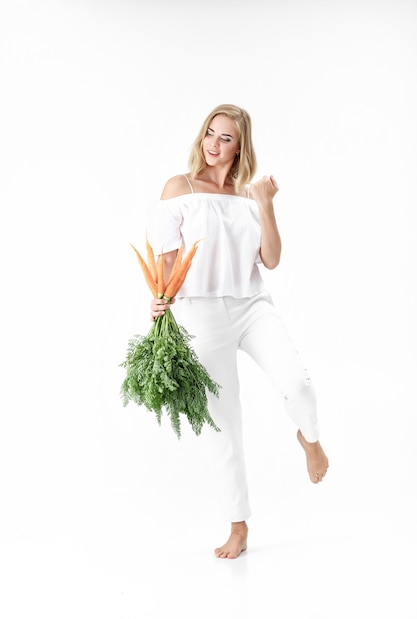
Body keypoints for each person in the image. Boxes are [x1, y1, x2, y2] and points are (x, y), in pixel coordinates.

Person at [147, 103, 329, 559]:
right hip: (200, 314)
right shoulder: (180, 188)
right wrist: (158, 303)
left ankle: (308, 438)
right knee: (225, 426)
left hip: (251, 305)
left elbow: (270, 259)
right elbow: (165, 260)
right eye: (210, 133)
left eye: (226, 137)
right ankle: (239, 526)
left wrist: (265, 205)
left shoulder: (250, 195)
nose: (214, 144)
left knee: (298, 384)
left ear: (240, 146)